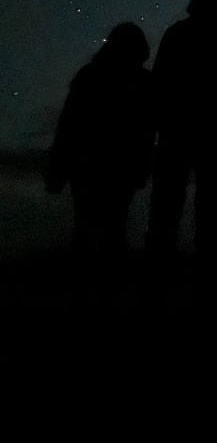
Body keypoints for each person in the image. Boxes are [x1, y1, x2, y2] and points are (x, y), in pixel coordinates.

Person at [146, 0, 217, 283]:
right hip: (215, 140)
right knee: (209, 213)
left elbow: (158, 87)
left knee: (168, 211)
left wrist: (157, 130)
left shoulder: (177, 35)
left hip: (180, 135)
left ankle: (160, 277)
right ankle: (209, 280)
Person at [44, 22, 154, 292]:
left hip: (88, 168)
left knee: (87, 228)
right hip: (117, 170)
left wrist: (58, 167)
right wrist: (142, 166)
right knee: (111, 230)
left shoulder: (90, 76)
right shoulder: (142, 82)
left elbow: (68, 126)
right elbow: (147, 131)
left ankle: (85, 292)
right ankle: (108, 292)